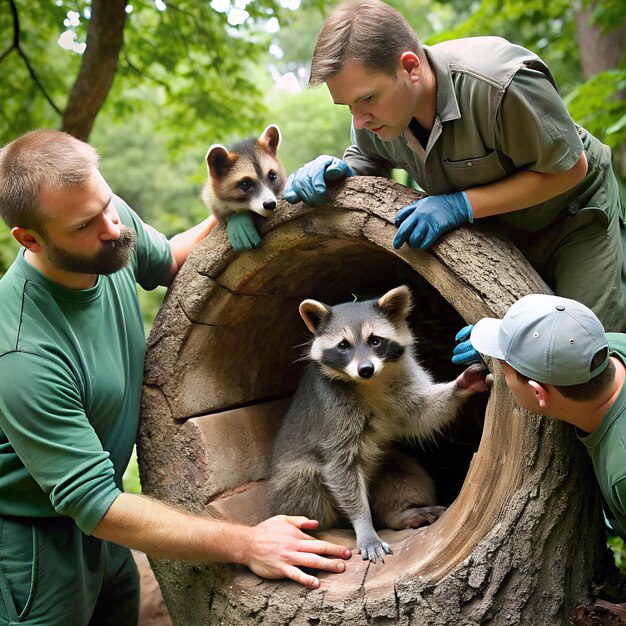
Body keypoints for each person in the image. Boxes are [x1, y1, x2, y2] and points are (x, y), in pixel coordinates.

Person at [0, 129, 351, 626]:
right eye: (85, 223)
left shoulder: (105, 226)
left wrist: (237, 214)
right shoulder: (20, 351)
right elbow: (96, 504)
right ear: (30, 239)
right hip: (37, 547)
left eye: (107, 203)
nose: (112, 227)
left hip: (105, 535)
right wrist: (247, 542)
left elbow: (167, 258)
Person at [283, 0, 626, 333]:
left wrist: (460, 205)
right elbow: (367, 164)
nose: (359, 119)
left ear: (410, 67)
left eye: (368, 98)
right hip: (496, 235)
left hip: (572, 219)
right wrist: (337, 174)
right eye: (347, 106)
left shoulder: (499, 84)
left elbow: (570, 169)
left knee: (587, 347)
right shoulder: (374, 116)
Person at [452, 294, 626, 540]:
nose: (499, 368)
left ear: (538, 392)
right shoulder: (612, 347)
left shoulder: (622, 471)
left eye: (503, 367)